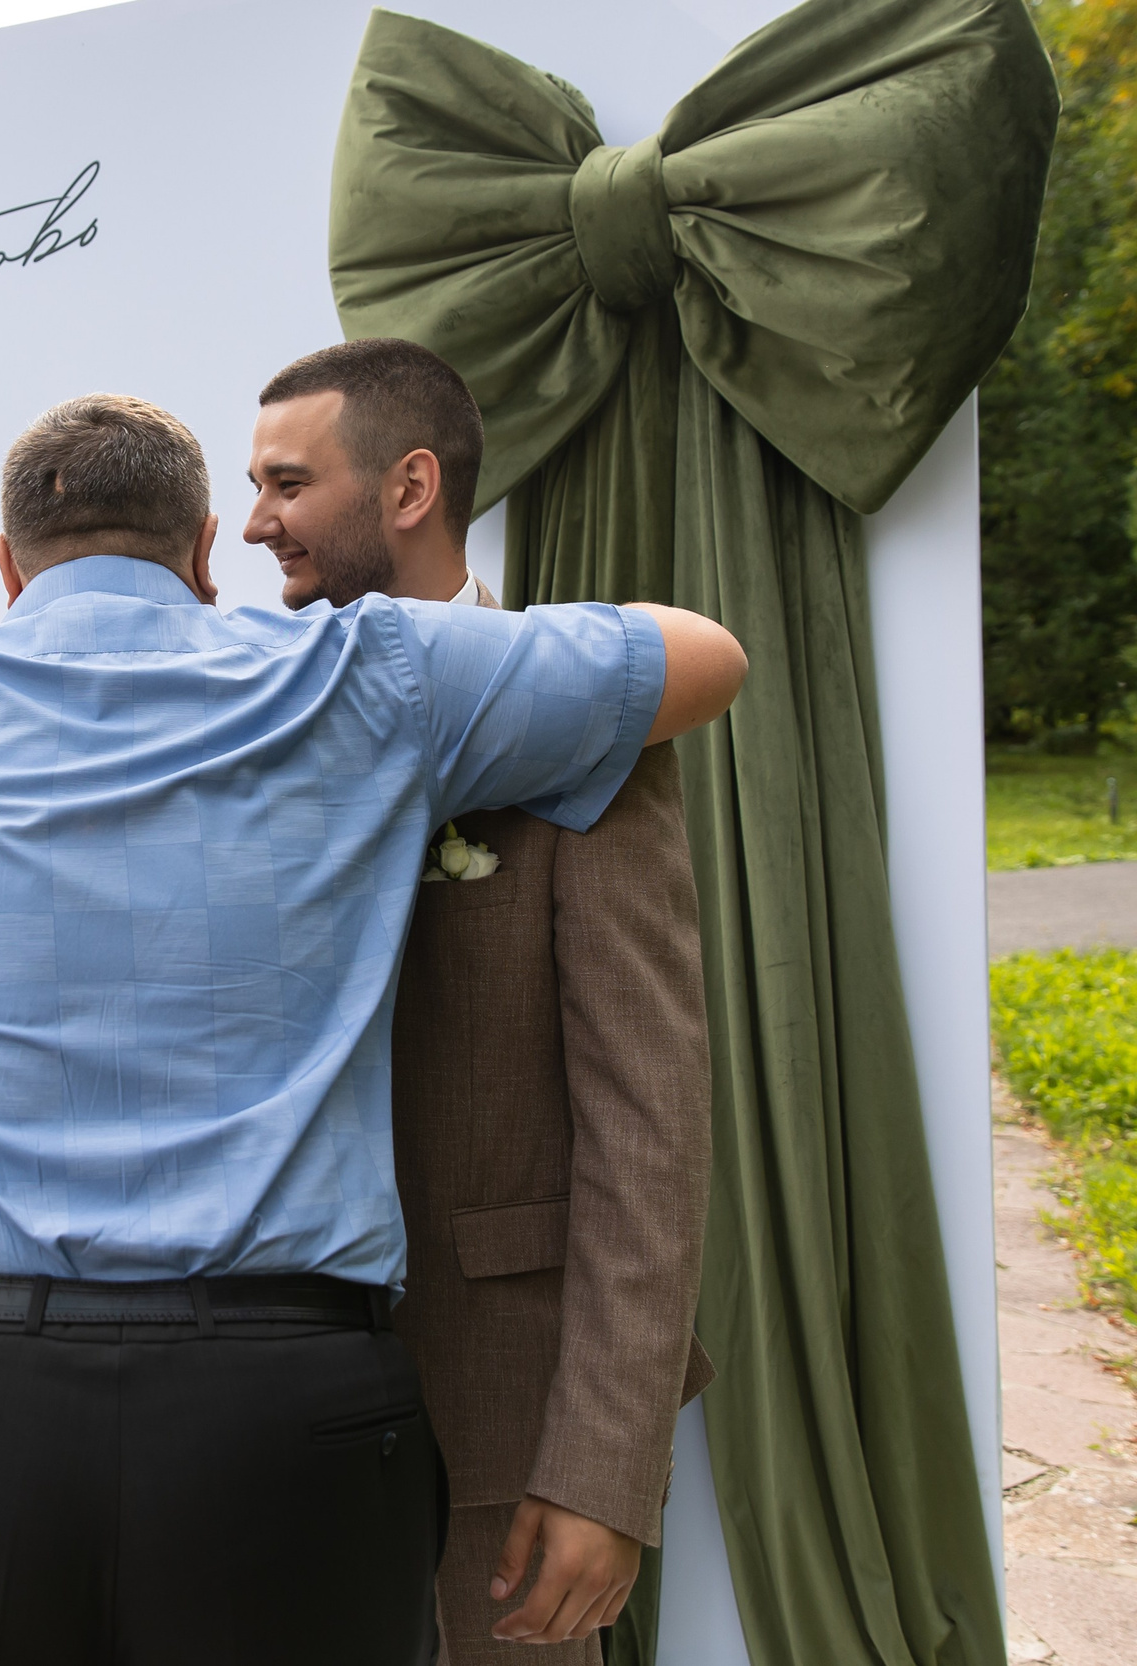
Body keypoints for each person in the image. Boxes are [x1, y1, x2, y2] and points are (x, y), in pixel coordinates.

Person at [0, 391, 747, 1665]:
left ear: (8, 568)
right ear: (198, 551)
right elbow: (703, 655)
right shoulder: (367, 670)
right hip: (282, 1413)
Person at [243, 339, 716, 1660]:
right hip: (261, 1387)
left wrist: (602, 1470)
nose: (254, 522)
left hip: (504, 1402)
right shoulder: (250, 719)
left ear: (406, 488)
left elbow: (650, 1120)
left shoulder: (583, 716)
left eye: (287, 483)